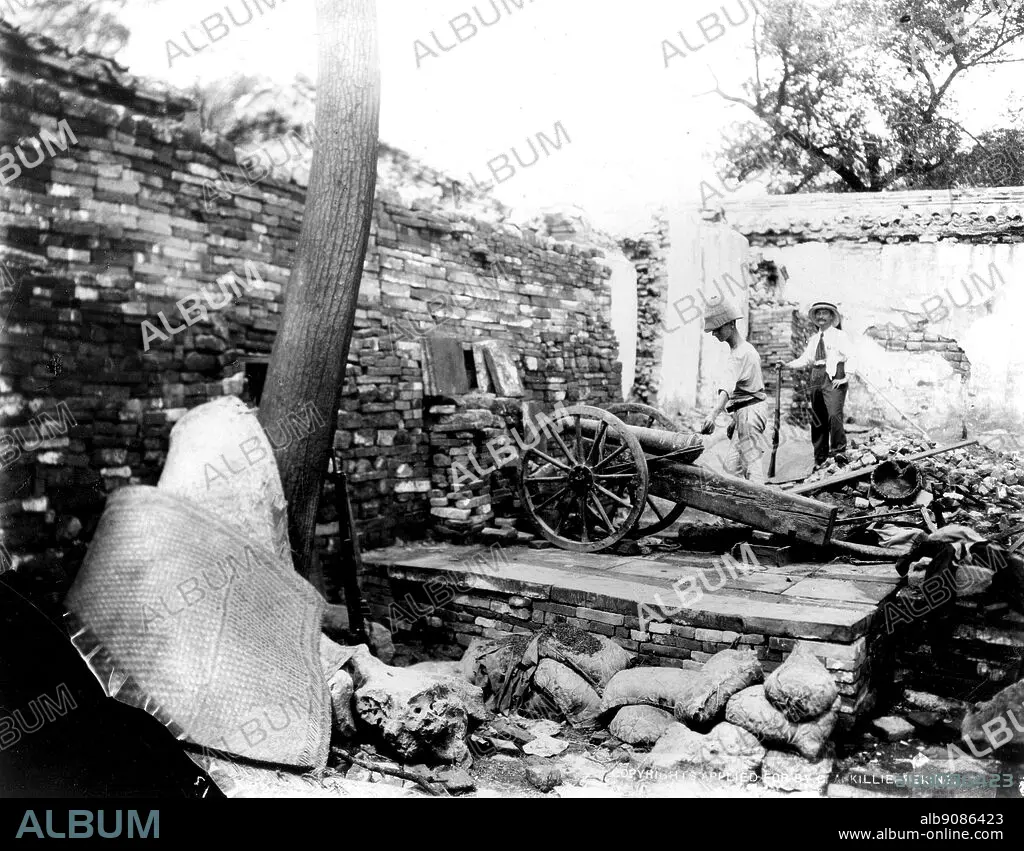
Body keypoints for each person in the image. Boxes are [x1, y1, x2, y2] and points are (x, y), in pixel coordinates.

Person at [700, 294, 769, 483]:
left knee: (752, 469)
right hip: (746, 412)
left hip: (750, 413)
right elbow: (746, 389)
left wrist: (713, 414)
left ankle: (759, 502)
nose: (714, 334)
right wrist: (735, 419)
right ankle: (742, 502)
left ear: (731, 324)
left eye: (717, 328)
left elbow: (727, 388)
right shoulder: (743, 350)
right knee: (731, 469)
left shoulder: (741, 354)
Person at [785, 301, 852, 469]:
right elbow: (806, 359)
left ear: (832, 316)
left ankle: (838, 452)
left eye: (825, 313)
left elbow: (852, 356)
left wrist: (846, 377)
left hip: (833, 376)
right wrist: (787, 365)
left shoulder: (840, 336)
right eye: (818, 313)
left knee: (834, 415)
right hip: (816, 376)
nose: (821, 316)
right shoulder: (814, 339)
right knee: (818, 417)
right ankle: (820, 456)